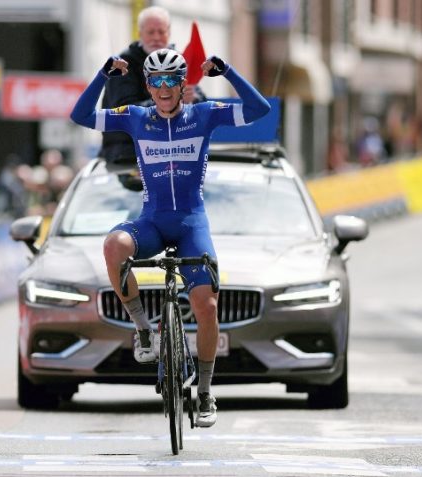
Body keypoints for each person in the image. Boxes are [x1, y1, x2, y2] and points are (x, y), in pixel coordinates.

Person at [70, 48, 270, 427]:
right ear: (148, 85)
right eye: (156, 81)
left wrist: (227, 71)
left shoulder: (204, 115)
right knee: (114, 245)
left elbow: (259, 109)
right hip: (152, 222)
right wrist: (103, 74)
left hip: (192, 223)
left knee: (207, 307)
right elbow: (80, 115)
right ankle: (145, 330)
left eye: (171, 80)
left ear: (183, 85)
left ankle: (207, 392)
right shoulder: (135, 118)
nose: (163, 88)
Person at [99, 6, 205, 162]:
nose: (156, 37)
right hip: (127, 153)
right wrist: (173, 101)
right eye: (150, 32)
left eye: (161, 32)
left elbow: (201, 101)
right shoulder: (122, 65)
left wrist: (194, 98)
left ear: (169, 33)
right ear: (140, 33)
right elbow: (124, 111)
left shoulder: (178, 61)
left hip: (173, 152)